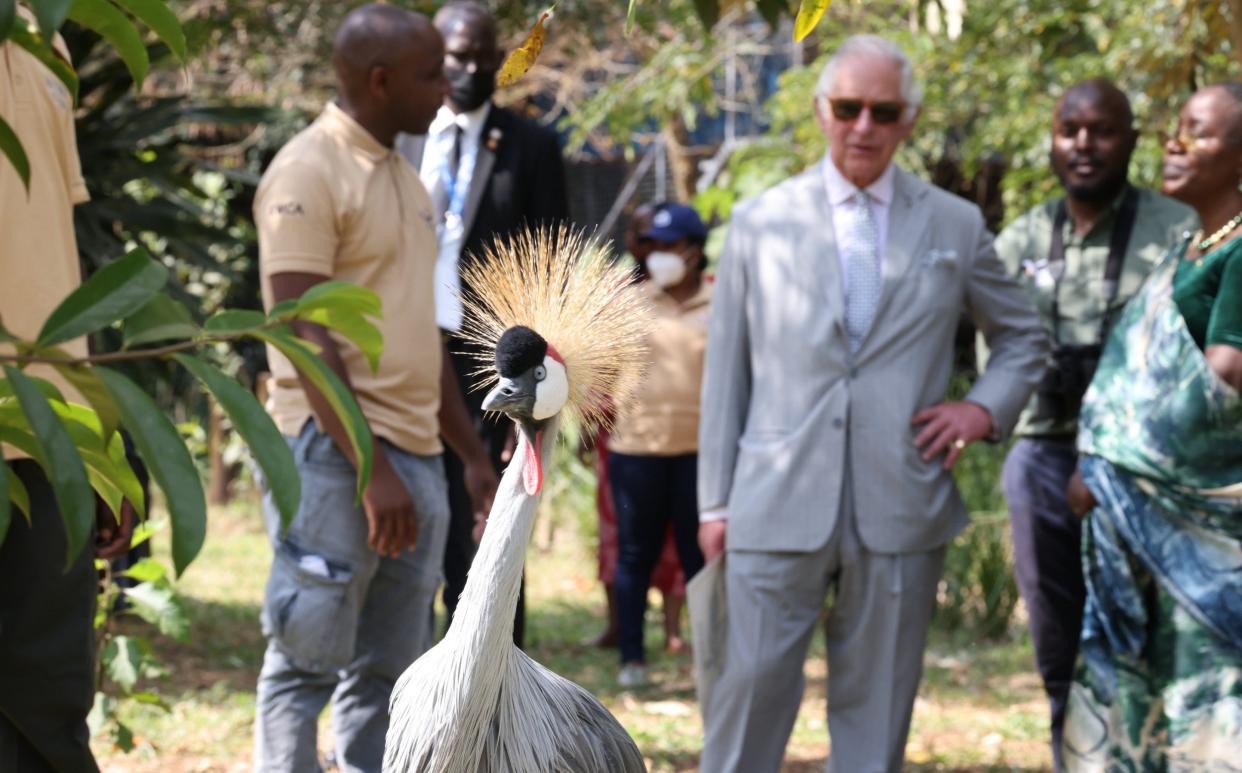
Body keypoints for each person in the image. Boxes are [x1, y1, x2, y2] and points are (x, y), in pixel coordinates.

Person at [695, 35, 1047, 772]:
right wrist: (713, 503)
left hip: (901, 497)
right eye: (849, 108)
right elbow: (727, 373)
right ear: (823, 111)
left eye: (883, 112)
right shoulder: (760, 221)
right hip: (771, 499)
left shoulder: (953, 223)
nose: (864, 126)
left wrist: (982, 408)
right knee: (748, 694)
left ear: (908, 120)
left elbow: (1021, 334)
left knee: (878, 707)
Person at [252, 6, 497, 770]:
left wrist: (472, 456)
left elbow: (424, 332)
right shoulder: (307, 170)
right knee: (304, 664)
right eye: (433, 73)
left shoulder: (406, 178)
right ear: (381, 81)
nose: (450, 84)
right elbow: (299, 330)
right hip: (335, 456)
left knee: (391, 676)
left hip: (416, 459)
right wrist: (371, 466)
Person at [990, 79, 1195, 771]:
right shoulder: (1022, 235)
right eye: (1069, 129)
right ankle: (1069, 753)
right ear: (1051, 137)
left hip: (1146, 459)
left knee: (1148, 635)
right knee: (1057, 636)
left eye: (1102, 130)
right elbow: (994, 346)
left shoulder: (1177, 226)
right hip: (1044, 451)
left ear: (1132, 138)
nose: (1084, 145)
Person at [1062, 82, 1242, 771]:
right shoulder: (1186, 250)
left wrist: (1110, 463)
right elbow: (1138, 370)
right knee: (1152, 701)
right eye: (1176, 127)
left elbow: (1220, 384)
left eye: (1199, 133)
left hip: (1208, 532)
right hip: (1141, 523)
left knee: (1206, 703)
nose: (1176, 143)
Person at [396, 1, 568, 648]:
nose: (468, 68)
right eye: (454, 55)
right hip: (407, 366)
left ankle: (490, 716)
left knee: (487, 555)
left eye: (481, 55)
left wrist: (531, 405)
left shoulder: (532, 146)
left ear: (503, 59)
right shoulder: (399, 139)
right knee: (408, 550)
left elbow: (549, 269)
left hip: (487, 377)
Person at [0, 16, 136, 771]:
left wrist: (98, 444)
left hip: (51, 438)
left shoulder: (40, 36)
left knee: (51, 699)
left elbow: (57, 251)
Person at [608, 203, 711, 688]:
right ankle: (633, 658)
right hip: (636, 450)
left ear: (694, 252)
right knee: (635, 556)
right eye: (654, 247)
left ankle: (709, 655)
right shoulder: (628, 300)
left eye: (671, 247)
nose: (660, 256)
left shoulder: (721, 304)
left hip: (701, 452)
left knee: (700, 556)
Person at [587, 202, 688, 655]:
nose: (655, 250)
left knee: (675, 536)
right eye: (646, 240)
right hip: (622, 436)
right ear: (632, 242)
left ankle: (673, 630)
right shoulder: (615, 294)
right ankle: (618, 629)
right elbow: (594, 364)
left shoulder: (693, 294)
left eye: (665, 242)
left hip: (682, 434)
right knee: (618, 531)